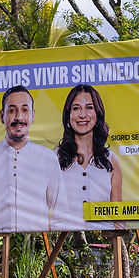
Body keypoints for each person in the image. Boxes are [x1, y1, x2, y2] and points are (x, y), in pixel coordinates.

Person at [0, 86, 68, 233]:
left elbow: (61, 216)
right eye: (11, 110)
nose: (19, 117)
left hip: (36, 243)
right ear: (2, 116)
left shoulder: (48, 158)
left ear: (33, 115)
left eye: (25, 110)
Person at [55, 84, 123, 230]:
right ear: (68, 115)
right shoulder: (54, 159)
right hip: (62, 240)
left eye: (89, 107)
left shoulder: (111, 160)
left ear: (97, 114)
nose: (82, 115)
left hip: (104, 239)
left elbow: (118, 219)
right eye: (76, 108)